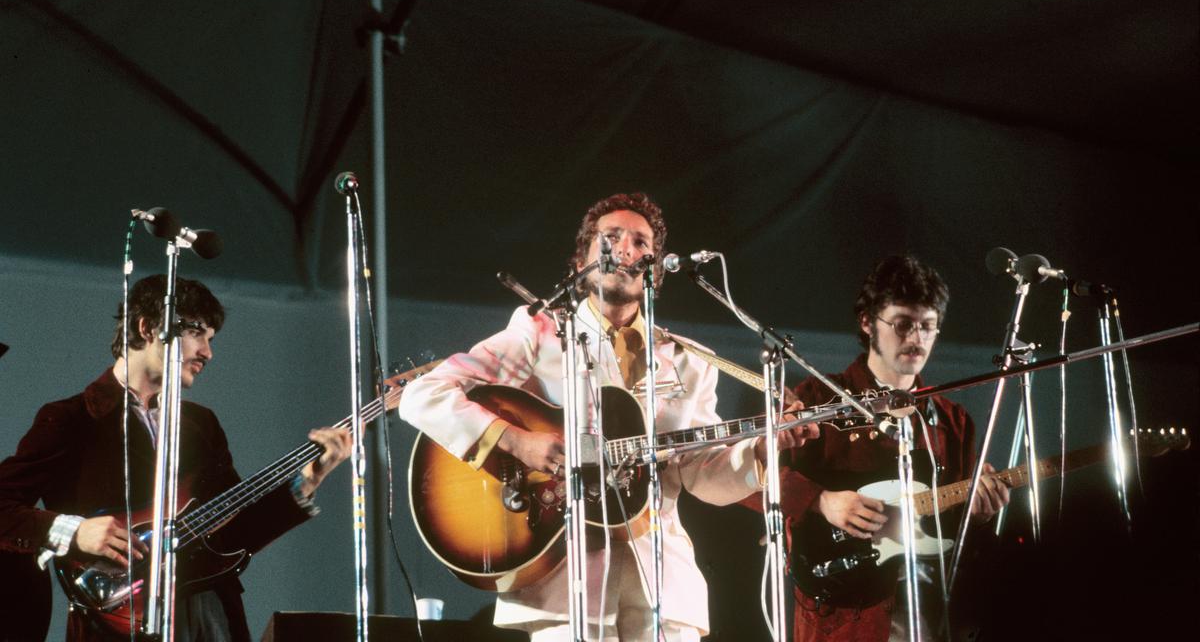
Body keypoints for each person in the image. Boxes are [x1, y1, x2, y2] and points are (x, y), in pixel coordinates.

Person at [398, 192, 817, 642]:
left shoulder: (689, 361)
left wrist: (761, 448)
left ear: (655, 267)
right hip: (563, 578)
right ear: (581, 258)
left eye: (640, 241)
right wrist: (516, 441)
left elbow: (700, 474)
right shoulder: (540, 334)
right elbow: (423, 395)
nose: (626, 249)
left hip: (662, 587)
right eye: (611, 237)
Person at [0, 275, 351, 642]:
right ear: (148, 327)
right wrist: (75, 532)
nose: (207, 352)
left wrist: (308, 479)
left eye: (211, 339)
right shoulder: (73, 418)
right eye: (197, 333)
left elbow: (234, 531)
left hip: (208, 613)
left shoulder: (202, 424)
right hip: (116, 619)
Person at [763, 255, 1010, 642]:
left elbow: (959, 531)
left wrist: (981, 512)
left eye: (928, 327)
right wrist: (820, 500)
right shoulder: (817, 398)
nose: (916, 339)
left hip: (930, 612)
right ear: (867, 322)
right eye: (903, 324)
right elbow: (752, 477)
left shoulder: (952, 419)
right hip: (841, 612)